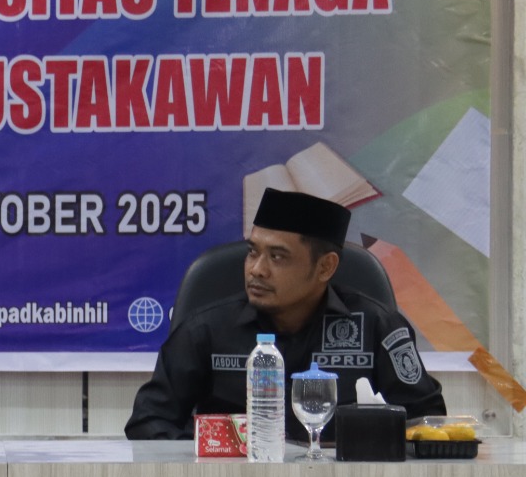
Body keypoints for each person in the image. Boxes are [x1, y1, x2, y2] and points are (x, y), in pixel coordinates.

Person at [126, 187, 444, 441]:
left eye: (277, 257)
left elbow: (426, 421)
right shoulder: (205, 330)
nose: (256, 270)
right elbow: (149, 422)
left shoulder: (377, 326)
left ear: (325, 267)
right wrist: (213, 449)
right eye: (253, 252)